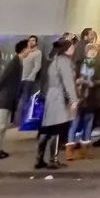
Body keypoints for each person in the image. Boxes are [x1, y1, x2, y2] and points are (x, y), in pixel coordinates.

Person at [37, 38, 77, 170]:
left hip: (51, 96)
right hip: (59, 98)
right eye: (71, 47)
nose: (73, 48)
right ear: (67, 49)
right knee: (57, 129)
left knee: (47, 129)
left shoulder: (55, 60)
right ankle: (53, 159)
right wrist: (74, 99)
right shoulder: (65, 62)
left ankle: (39, 159)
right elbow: (68, 82)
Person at [0, 39, 27, 159]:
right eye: (28, 48)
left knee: (3, 126)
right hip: (5, 98)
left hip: (9, 99)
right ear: (24, 50)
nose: (29, 51)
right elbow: (2, 77)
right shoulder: (13, 63)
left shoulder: (18, 62)